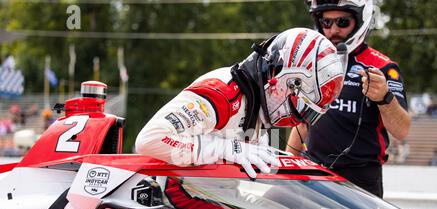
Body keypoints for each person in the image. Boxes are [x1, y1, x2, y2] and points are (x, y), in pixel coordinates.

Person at [135, 27, 345, 178]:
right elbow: (149, 140)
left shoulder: (257, 108)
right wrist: (226, 149)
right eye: (302, 106)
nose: (298, 118)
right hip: (172, 204)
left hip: (212, 201)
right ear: (282, 81)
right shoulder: (222, 93)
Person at [286, 0, 411, 197]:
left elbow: (402, 131)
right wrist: (288, 169)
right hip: (314, 170)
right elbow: (302, 124)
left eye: (342, 22)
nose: (333, 30)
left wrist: (384, 98)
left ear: (359, 20)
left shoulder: (384, 68)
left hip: (361, 179)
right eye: (326, 23)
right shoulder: (312, 62)